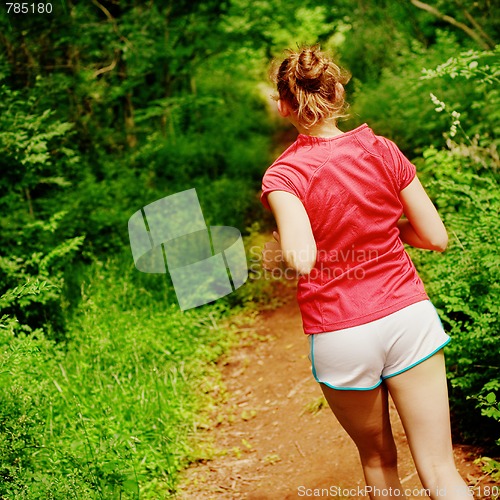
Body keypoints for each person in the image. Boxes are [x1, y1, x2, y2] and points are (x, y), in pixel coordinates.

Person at [260, 45, 472, 500]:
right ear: (337, 92)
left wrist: (277, 250)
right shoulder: (382, 150)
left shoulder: (283, 176)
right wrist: (386, 229)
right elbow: (435, 237)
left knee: (378, 461)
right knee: (439, 468)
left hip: (342, 333)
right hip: (406, 317)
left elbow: (301, 257)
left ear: (284, 106)